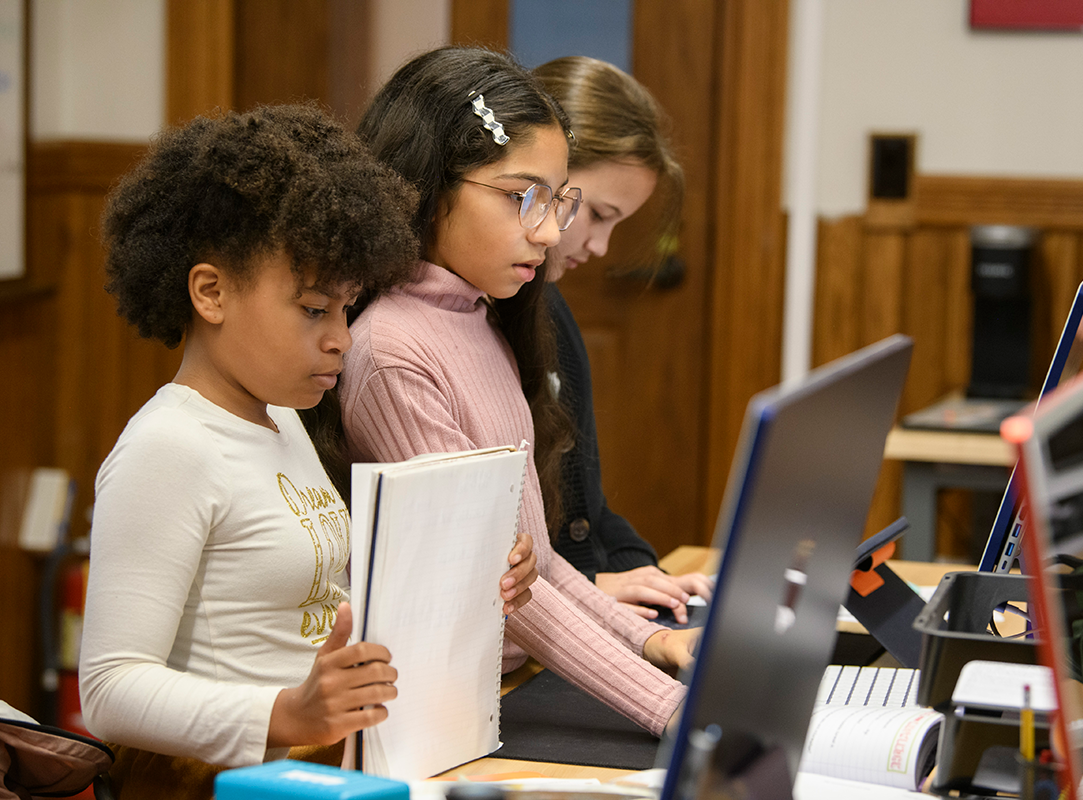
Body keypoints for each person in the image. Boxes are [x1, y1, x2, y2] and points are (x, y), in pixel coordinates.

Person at [78, 104, 538, 799]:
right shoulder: (167, 449)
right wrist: (287, 712)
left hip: (322, 772)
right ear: (211, 292)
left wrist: (474, 583)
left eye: (348, 309)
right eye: (314, 309)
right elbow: (109, 691)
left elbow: (323, 606)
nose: (342, 339)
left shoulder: (283, 421)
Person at [341, 46, 696, 737]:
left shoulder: (483, 319)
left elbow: (532, 553)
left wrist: (649, 641)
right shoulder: (390, 351)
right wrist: (672, 707)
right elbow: (496, 586)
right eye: (520, 198)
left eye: (560, 203)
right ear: (429, 182)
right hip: (438, 712)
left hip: (510, 678)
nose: (548, 232)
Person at [532, 56, 713, 623]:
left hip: (572, 602)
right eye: (600, 215)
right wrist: (594, 586)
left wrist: (649, 578)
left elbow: (588, 506)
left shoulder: (551, 312)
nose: (603, 248)